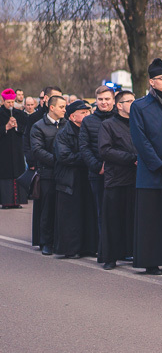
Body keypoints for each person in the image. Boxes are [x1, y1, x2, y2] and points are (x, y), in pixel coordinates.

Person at [129, 58, 162, 275]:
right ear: (151, 82)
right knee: (152, 219)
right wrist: (158, 164)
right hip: (151, 172)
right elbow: (140, 139)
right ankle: (152, 261)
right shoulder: (139, 106)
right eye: (161, 79)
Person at [98, 91, 137, 270]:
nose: (133, 104)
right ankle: (110, 257)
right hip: (116, 178)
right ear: (119, 105)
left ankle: (133, 252)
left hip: (136, 178)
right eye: (129, 101)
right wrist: (131, 158)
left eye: (134, 100)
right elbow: (105, 150)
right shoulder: (108, 125)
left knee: (134, 219)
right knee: (113, 219)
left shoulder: (138, 123)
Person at [53, 100, 97, 258]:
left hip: (87, 176)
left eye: (88, 112)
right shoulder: (64, 133)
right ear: (72, 117)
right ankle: (70, 249)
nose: (87, 115)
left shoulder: (90, 130)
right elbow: (64, 156)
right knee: (71, 216)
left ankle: (89, 247)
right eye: (83, 113)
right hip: (69, 179)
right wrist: (86, 157)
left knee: (88, 212)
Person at [80, 85, 116, 261]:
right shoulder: (88, 121)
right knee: (102, 213)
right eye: (100, 99)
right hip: (98, 174)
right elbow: (84, 147)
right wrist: (97, 166)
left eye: (107, 99)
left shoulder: (122, 118)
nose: (104, 102)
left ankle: (123, 250)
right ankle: (106, 254)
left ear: (113, 100)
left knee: (120, 212)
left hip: (120, 172)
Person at [30, 95, 67, 254]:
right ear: (52, 108)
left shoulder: (67, 125)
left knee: (63, 208)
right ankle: (45, 242)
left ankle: (61, 241)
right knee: (47, 208)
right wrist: (58, 161)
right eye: (61, 107)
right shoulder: (38, 127)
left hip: (65, 172)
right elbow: (38, 150)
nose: (65, 110)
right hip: (48, 173)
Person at [0, 89, 27, 209]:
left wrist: (17, 127)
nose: (10, 105)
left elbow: (25, 129)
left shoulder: (19, 113)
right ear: (3, 101)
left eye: (12, 102)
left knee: (18, 173)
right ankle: (6, 202)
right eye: (8, 102)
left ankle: (17, 201)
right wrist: (5, 127)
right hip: (3, 150)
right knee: (5, 174)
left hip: (17, 149)